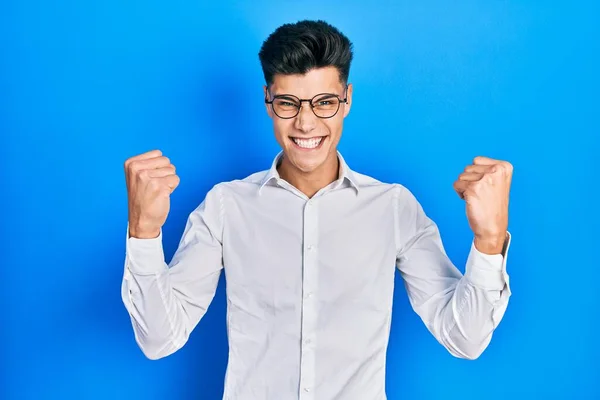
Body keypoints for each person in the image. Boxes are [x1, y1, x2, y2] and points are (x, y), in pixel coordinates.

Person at [121, 19, 513, 400]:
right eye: (289, 103)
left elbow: (465, 339)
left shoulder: (393, 207)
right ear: (268, 102)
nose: (306, 124)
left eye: (324, 102)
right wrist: (144, 231)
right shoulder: (226, 206)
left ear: (347, 100)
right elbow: (159, 339)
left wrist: (489, 241)